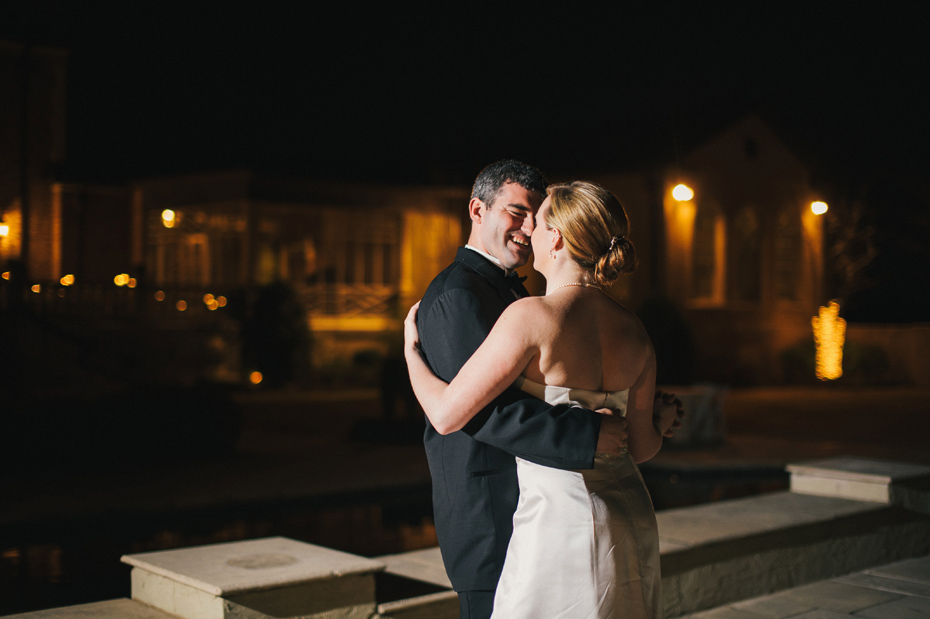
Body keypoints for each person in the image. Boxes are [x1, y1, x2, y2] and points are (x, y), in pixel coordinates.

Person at [413, 161, 679, 618]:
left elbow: (446, 413)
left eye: (537, 219)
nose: (528, 227)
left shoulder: (531, 315)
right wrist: (659, 422)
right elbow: (641, 446)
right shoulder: (636, 330)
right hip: (630, 510)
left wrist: (410, 355)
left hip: (560, 516)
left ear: (555, 238)